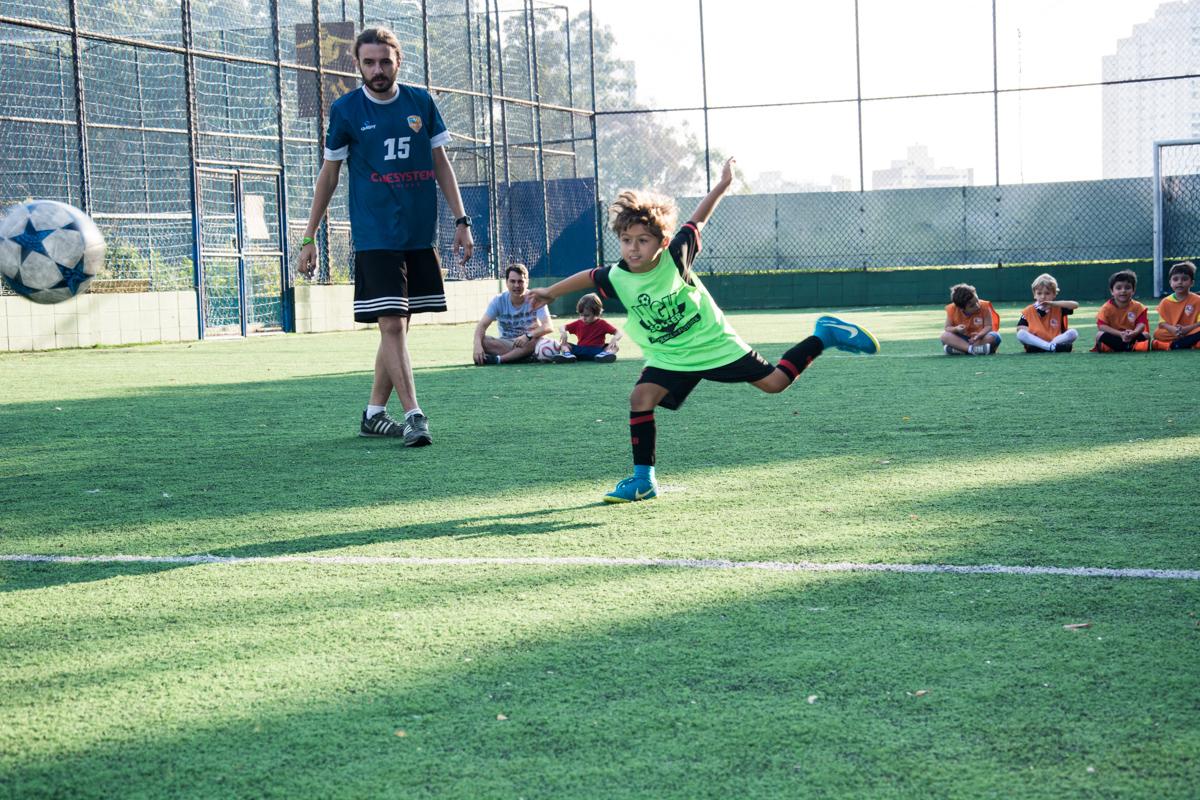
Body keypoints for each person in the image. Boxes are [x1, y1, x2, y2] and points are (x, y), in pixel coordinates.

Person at [528, 157, 879, 503]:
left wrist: (724, 184)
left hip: (712, 343)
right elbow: (590, 276)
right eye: (626, 239)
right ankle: (643, 481)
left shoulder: (677, 254)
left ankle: (825, 335)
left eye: (642, 240)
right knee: (640, 398)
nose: (633, 248)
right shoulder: (618, 275)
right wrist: (548, 292)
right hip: (670, 354)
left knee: (774, 384)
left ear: (661, 242)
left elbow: (699, 218)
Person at [295, 27, 473, 447]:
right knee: (391, 324)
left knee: (400, 327)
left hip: (417, 233)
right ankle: (414, 415)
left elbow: (442, 165)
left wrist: (461, 220)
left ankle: (374, 414)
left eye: (385, 61)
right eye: (369, 62)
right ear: (356, 64)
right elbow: (329, 175)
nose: (377, 70)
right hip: (375, 234)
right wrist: (309, 236)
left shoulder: (420, 103)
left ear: (398, 61)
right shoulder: (345, 110)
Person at [473, 263, 554, 365]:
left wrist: (528, 336)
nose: (516, 285)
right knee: (482, 340)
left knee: (542, 339)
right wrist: (477, 345)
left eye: (520, 281)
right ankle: (523, 358)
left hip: (529, 342)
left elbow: (548, 326)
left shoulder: (536, 299)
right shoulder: (498, 300)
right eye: (512, 281)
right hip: (506, 343)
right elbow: (482, 325)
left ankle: (500, 359)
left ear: (527, 283)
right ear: (506, 283)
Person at [1015, 273, 1079, 353]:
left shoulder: (1057, 306)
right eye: (1039, 293)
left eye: (1047, 293)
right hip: (1037, 340)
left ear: (1054, 294)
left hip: (1056, 339)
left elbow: (1075, 305)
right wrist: (1037, 331)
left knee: (1073, 332)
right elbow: (1020, 328)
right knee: (1021, 334)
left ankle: (1046, 347)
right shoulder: (1029, 310)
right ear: (1034, 294)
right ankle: (1050, 347)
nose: (1043, 297)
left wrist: (1054, 304)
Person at [1092, 269, 1150, 353]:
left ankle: (1120, 347)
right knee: (1099, 335)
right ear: (1112, 291)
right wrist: (1120, 334)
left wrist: (1133, 333)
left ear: (1133, 290)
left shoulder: (1138, 306)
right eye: (1118, 288)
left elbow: (1141, 325)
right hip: (1115, 336)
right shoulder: (1106, 307)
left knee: (1147, 335)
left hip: (1131, 336)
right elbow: (1101, 326)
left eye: (1127, 288)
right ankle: (1129, 347)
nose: (1123, 291)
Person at [554, 292, 622, 363]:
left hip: (598, 352)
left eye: (586, 315)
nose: (583, 318)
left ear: (596, 313)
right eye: (581, 315)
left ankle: (606, 354)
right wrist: (563, 332)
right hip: (580, 351)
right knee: (564, 344)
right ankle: (567, 355)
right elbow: (562, 327)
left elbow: (618, 332)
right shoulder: (578, 323)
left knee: (615, 346)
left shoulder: (602, 324)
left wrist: (615, 339)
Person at [1152, 261, 1200, 350]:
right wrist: (1174, 330)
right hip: (1173, 333)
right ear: (1170, 283)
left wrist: (1185, 329)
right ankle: (1191, 344)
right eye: (1176, 279)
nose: (1180, 282)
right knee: (1157, 334)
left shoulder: (1197, 300)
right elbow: (1163, 323)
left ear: (1192, 283)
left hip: (1191, 331)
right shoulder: (1165, 302)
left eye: (1184, 279)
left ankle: (1174, 345)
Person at [941, 284, 1000, 355]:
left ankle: (961, 349)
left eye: (977, 301)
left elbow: (989, 327)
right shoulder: (952, 309)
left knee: (994, 336)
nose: (977, 306)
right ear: (961, 308)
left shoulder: (984, 306)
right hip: (961, 339)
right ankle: (972, 349)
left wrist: (979, 335)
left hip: (979, 340)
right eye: (972, 306)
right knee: (944, 336)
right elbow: (947, 328)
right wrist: (956, 329)